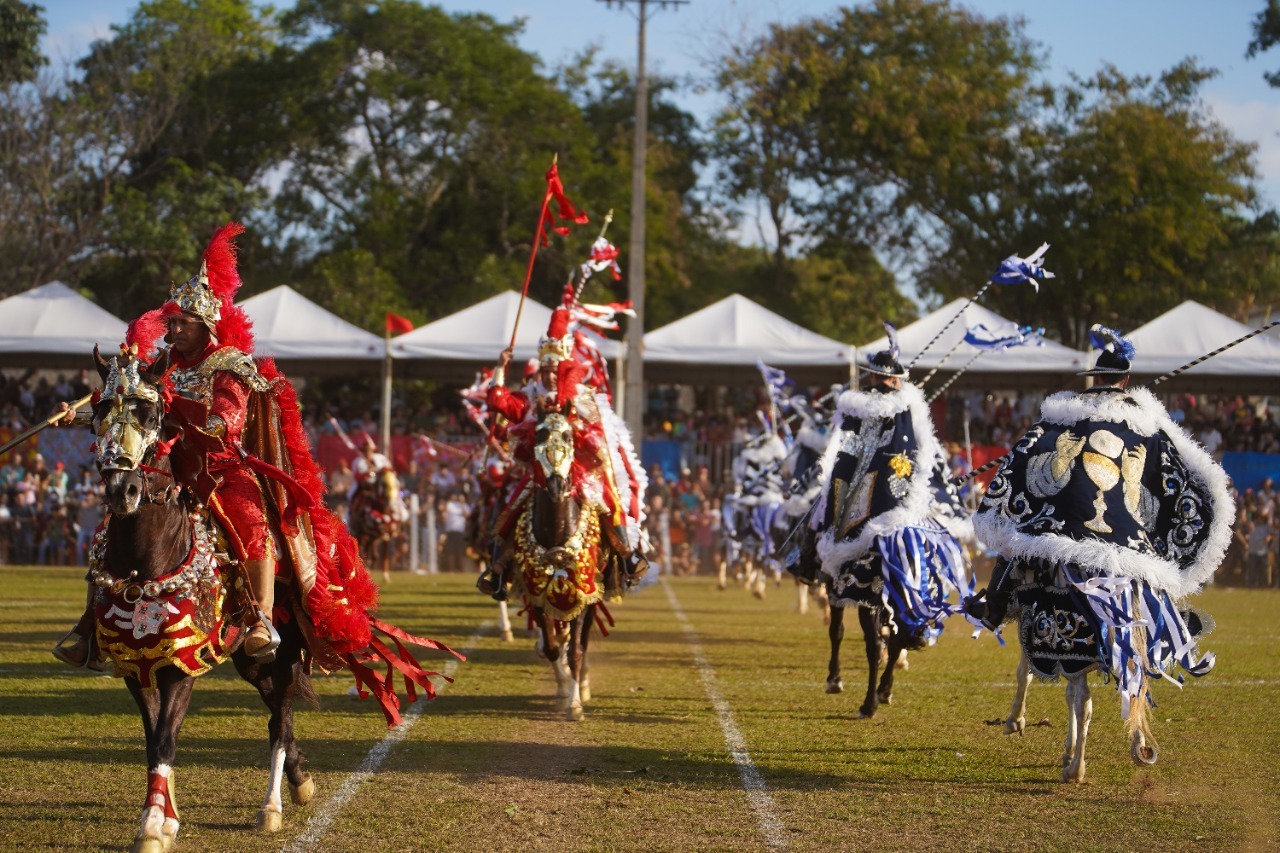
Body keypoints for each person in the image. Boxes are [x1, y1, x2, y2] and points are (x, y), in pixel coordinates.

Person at [965, 325, 1232, 723]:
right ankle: (1170, 623)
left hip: (1059, 529)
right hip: (1120, 539)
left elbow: (1019, 460)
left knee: (1015, 549)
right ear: (1125, 380)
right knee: (1146, 575)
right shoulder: (1146, 425)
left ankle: (995, 606)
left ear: (1094, 380)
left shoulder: (1058, 421)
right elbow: (1182, 474)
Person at [800, 324, 969, 642]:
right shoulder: (875, 408)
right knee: (824, 509)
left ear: (886, 379)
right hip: (872, 492)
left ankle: (917, 618)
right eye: (877, 378)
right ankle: (809, 563)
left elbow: (921, 455)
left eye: (881, 378)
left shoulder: (904, 410)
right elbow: (847, 453)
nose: (878, 383)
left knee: (917, 545)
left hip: (897, 495)